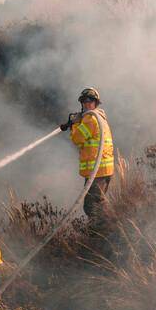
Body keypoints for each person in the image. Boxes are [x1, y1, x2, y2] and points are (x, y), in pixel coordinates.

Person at [60, 87, 114, 220]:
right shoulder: (96, 117)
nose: (86, 104)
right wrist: (77, 122)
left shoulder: (91, 119)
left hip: (98, 171)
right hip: (99, 170)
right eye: (84, 101)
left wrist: (75, 124)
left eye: (90, 101)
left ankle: (104, 231)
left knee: (92, 205)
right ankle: (104, 228)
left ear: (96, 103)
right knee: (97, 203)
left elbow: (77, 138)